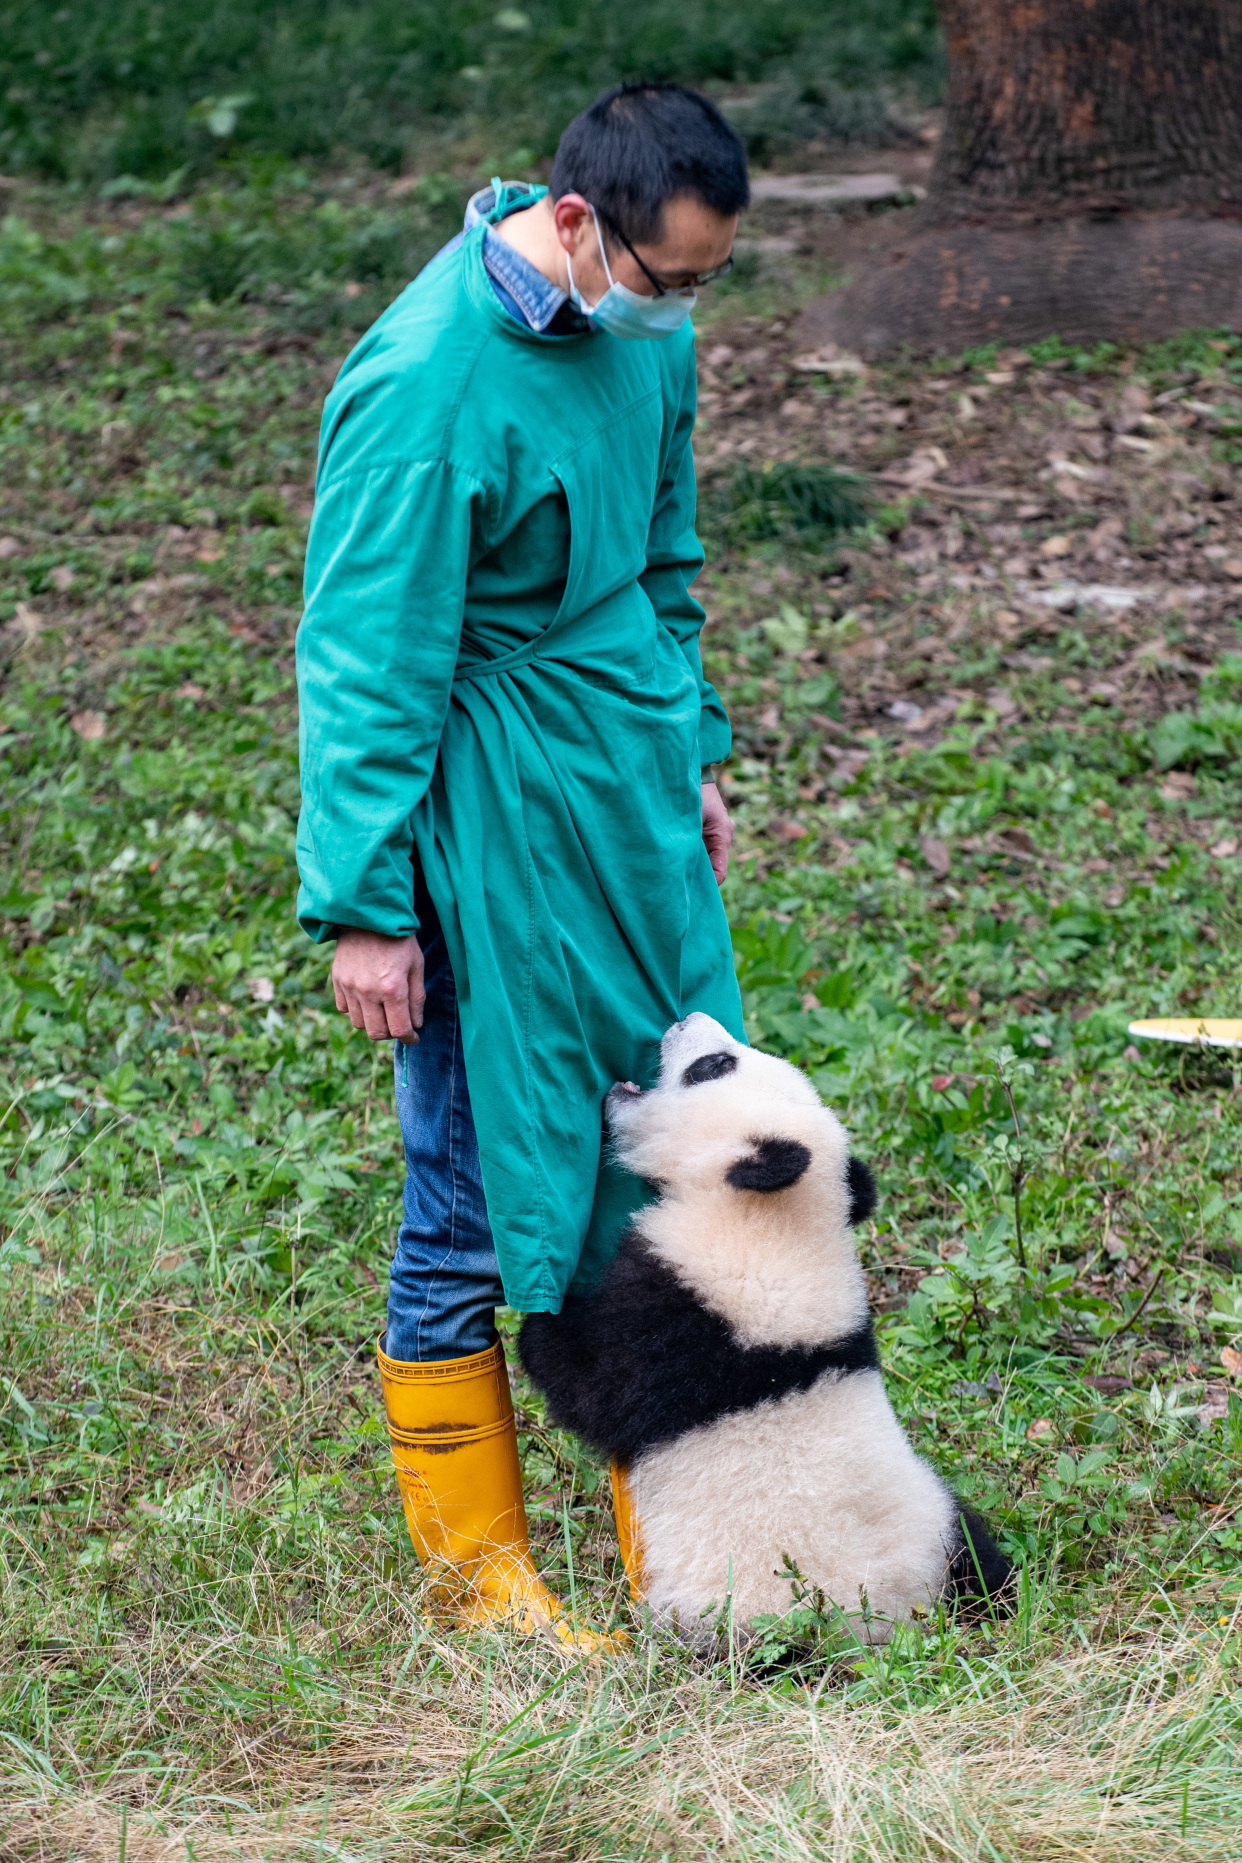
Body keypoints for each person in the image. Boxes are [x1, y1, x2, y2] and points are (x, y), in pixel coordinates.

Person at [296, 82, 750, 1641]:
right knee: (471, 1181)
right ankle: (476, 1576)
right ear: (572, 222)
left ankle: (662, 1517)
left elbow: (666, 558)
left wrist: (683, 745)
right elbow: (364, 659)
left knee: (661, 1136)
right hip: (486, 810)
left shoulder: (650, 332)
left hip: (619, 783)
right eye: (663, 276)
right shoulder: (424, 384)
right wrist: (366, 906)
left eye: (702, 281)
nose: (679, 310)